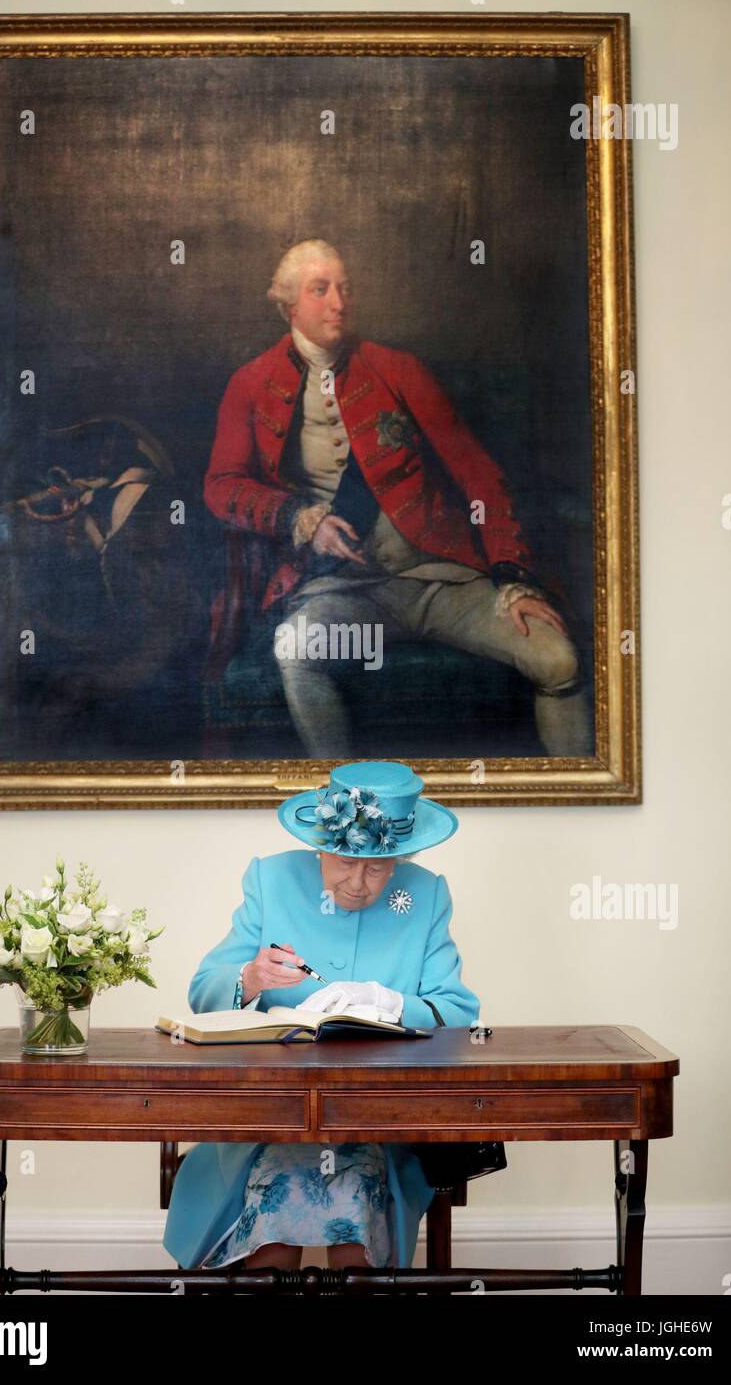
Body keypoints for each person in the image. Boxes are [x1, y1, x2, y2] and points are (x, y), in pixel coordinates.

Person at [202, 237, 593, 758]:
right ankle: (345, 815)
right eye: (322, 290)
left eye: (346, 288)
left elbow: (480, 475)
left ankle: (570, 807)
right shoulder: (250, 384)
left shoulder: (398, 369)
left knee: (558, 660)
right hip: (342, 591)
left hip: (441, 580)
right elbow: (220, 486)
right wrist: (299, 516)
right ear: (288, 303)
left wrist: (514, 577)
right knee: (296, 648)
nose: (340, 302)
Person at [162, 759, 479, 1271]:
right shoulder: (272, 877)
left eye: (377, 868)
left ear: (400, 858)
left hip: (379, 1124)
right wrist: (251, 978)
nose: (357, 883)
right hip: (266, 1118)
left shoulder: (424, 894)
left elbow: (459, 1011)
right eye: (344, 863)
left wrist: (389, 1001)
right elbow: (202, 992)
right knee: (279, 1176)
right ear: (321, 846)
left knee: (354, 1180)